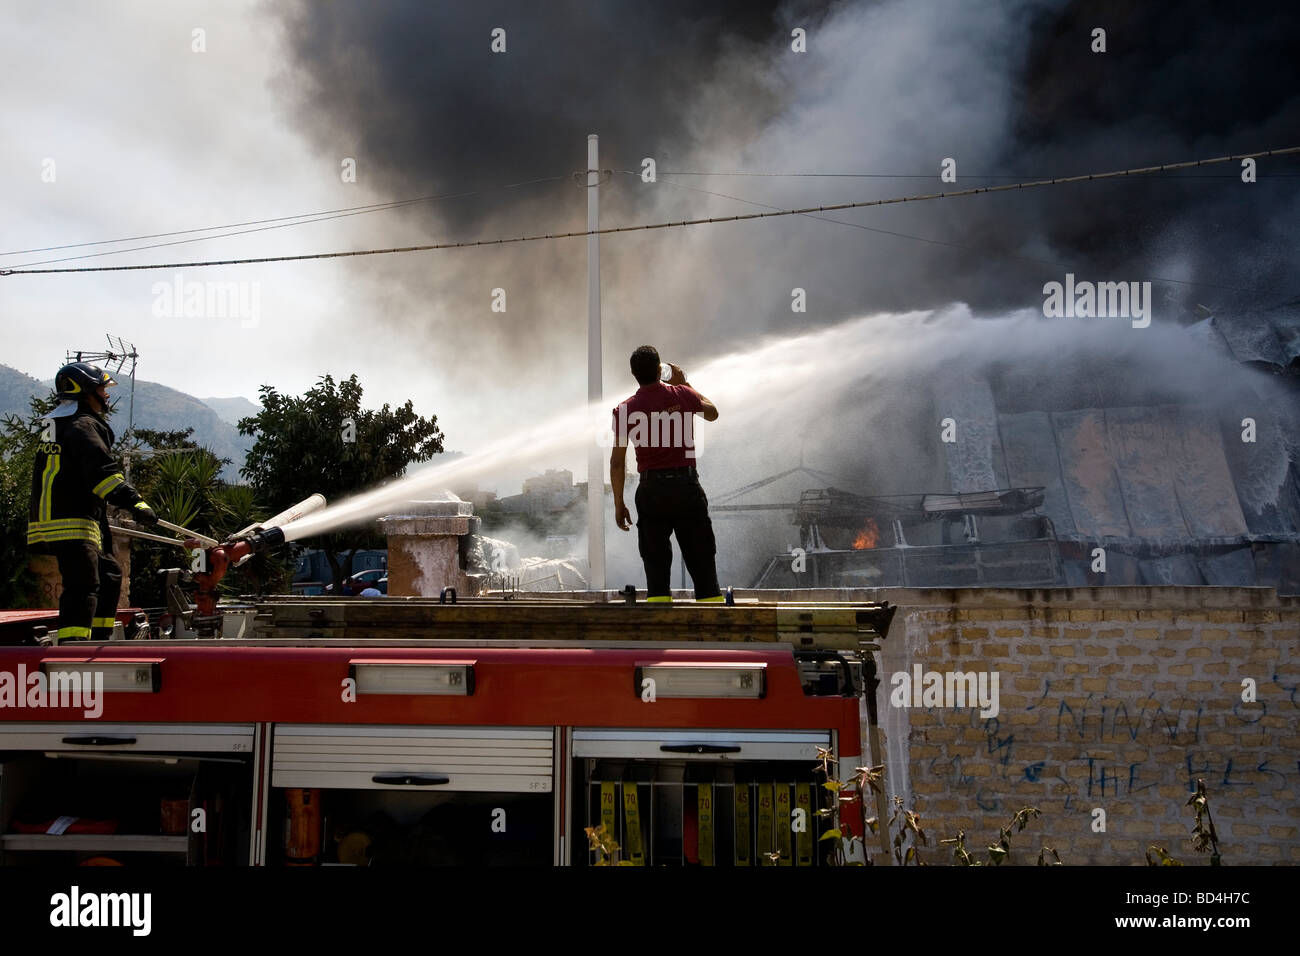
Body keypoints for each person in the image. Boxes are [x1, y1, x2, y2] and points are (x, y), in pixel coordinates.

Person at [27, 362, 159, 643]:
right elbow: (102, 473)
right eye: (101, 388)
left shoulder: (59, 424)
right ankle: (73, 646)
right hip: (70, 520)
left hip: (67, 516)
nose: (106, 395)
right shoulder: (82, 426)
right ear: (85, 391)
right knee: (83, 584)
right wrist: (136, 503)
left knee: (110, 574)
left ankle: (99, 637)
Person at [610, 345, 722, 603]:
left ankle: (660, 628)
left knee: (656, 566)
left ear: (633, 374)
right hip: (687, 487)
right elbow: (713, 413)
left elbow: (617, 462)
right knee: (702, 560)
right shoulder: (683, 394)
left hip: (651, 492)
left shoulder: (624, 409)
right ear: (660, 370)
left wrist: (619, 503)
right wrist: (687, 383)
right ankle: (714, 623)